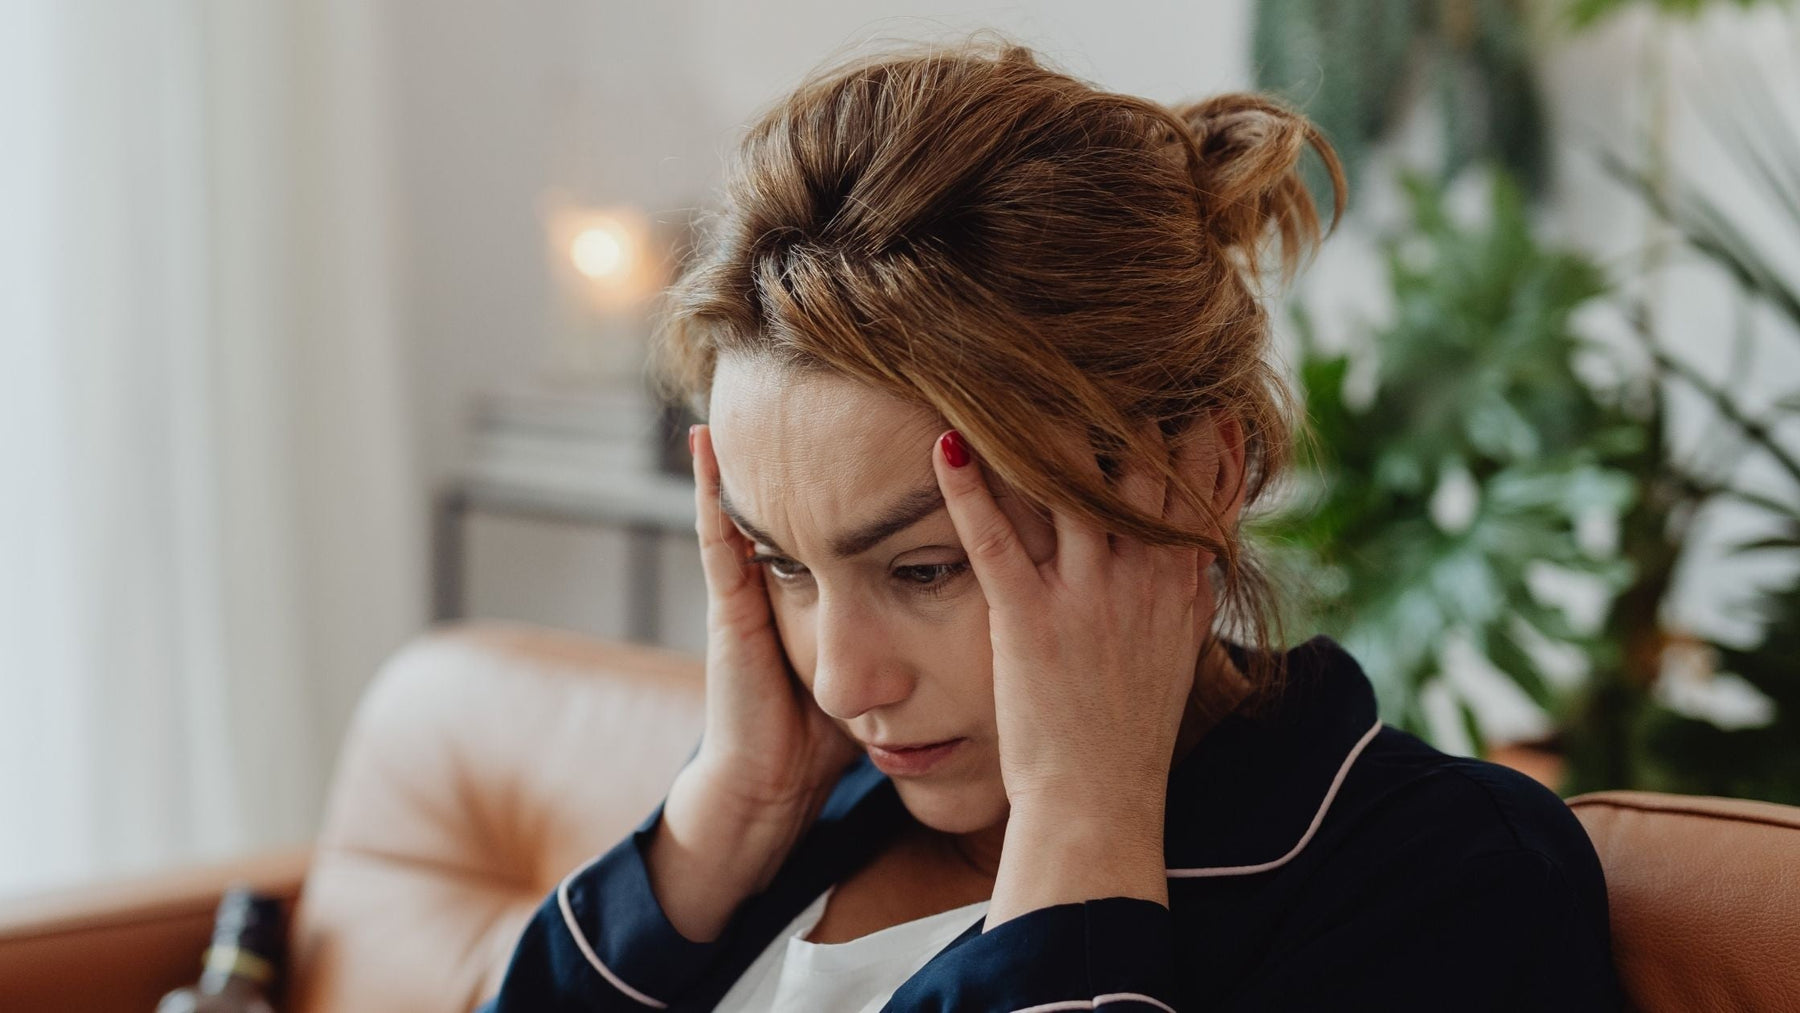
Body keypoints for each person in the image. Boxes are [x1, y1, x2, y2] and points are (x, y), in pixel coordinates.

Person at [476, 38, 1622, 1013]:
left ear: (1199, 477)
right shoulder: (795, 813)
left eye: (924, 566)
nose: (841, 678)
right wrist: (721, 821)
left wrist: (1085, 832)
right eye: (784, 562)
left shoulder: (1444, 881)